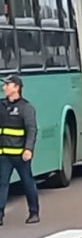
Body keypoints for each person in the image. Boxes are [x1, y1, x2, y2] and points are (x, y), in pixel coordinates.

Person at [0, 75, 39, 226]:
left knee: (28, 182)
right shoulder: (2, 106)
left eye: (7, 85)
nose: (4, 87)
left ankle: (34, 212)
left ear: (16, 87)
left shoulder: (26, 108)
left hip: (20, 156)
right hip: (4, 155)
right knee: (2, 183)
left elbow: (31, 129)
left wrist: (28, 149)